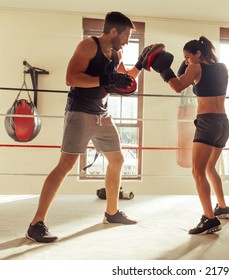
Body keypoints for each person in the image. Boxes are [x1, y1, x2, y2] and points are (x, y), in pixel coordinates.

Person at [26, 11, 150, 243]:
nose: (127, 41)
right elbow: (71, 78)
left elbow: (125, 79)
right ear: (113, 31)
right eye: (126, 36)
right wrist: (105, 80)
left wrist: (141, 64)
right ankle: (36, 223)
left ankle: (111, 212)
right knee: (66, 164)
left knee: (118, 159)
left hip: (102, 114)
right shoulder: (88, 46)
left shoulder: (117, 52)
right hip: (80, 111)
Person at [151, 36, 229, 234]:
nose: (186, 61)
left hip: (207, 123)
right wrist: (186, 64)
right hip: (223, 123)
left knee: (197, 171)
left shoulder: (196, 68)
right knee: (210, 167)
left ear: (198, 53)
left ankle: (209, 219)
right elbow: (199, 82)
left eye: (188, 56)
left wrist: (163, 69)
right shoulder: (222, 67)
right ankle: (222, 207)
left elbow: (178, 86)